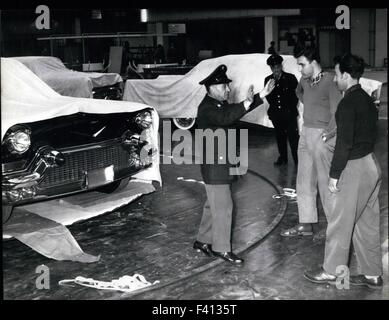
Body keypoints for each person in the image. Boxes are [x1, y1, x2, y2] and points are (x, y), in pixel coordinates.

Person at [304, 53, 383, 289]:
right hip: (371, 165)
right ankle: (372, 274)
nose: (335, 79)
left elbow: (344, 143)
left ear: (347, 75)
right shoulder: (367, 100)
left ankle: (331, 271)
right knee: (367, 223)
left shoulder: (347, 103)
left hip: (355, 168)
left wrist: (334, 174)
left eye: (337, 75)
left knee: (340, 221)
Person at [194, 64, 275, 264]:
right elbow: (226, 117)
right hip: (215, 167)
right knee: (224, 207)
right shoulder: (207, 109)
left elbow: (232, 111)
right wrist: (246, 103)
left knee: (213, 205)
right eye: (224, 87)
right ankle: (221, 248)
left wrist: (260, 95)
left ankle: (202, 241)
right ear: (212, 88)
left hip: (221, 164)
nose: (228, 90)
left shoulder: (217, 105)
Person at [281, 46, 343, 237]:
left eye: (302, 64)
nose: (300, 69)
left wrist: (328, 134)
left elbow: (337, 112)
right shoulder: (304, 80)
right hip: (305, 133)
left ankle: (337, 228)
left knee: (326, 184)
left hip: (322, 135)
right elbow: (298, 91)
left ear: (314, 62)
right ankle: (306, 225)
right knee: (303, 181)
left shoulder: (330, 81)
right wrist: (307, 101)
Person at [264, 54, 299, 166]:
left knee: (293, 138)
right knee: (280, 137)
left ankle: (297, 159)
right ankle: (283, 157)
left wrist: (289, 109)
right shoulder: (268, 80)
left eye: (277, 67)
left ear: (281, 66)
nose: (276, 69)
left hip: (289, 114)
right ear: (271, 68)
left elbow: (296, 96)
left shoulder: (290, 78)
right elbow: (268, 97)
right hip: (276, 114)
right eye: (273, 67)